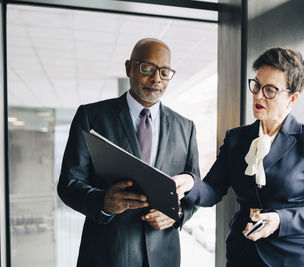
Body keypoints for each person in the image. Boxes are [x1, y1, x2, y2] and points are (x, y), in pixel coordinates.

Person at [174, 48, 304, 267]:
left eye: (270, 90)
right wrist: (190, 183)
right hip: (242, 255)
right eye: (256, 85)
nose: (258, 95)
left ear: (292, 98)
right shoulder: (236, 138)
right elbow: (212, 189)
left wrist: (279, 220)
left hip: (291, 258)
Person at [57, 38, 200, 267]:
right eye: (147, 68)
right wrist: (103, 201)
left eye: (164, 72)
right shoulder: (91, 116)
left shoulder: (186, 127)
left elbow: (194, 189)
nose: (156, 79)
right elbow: (68, 183)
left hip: (163, 256)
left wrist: (178, 213)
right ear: (128, 67)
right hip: (106, 254)